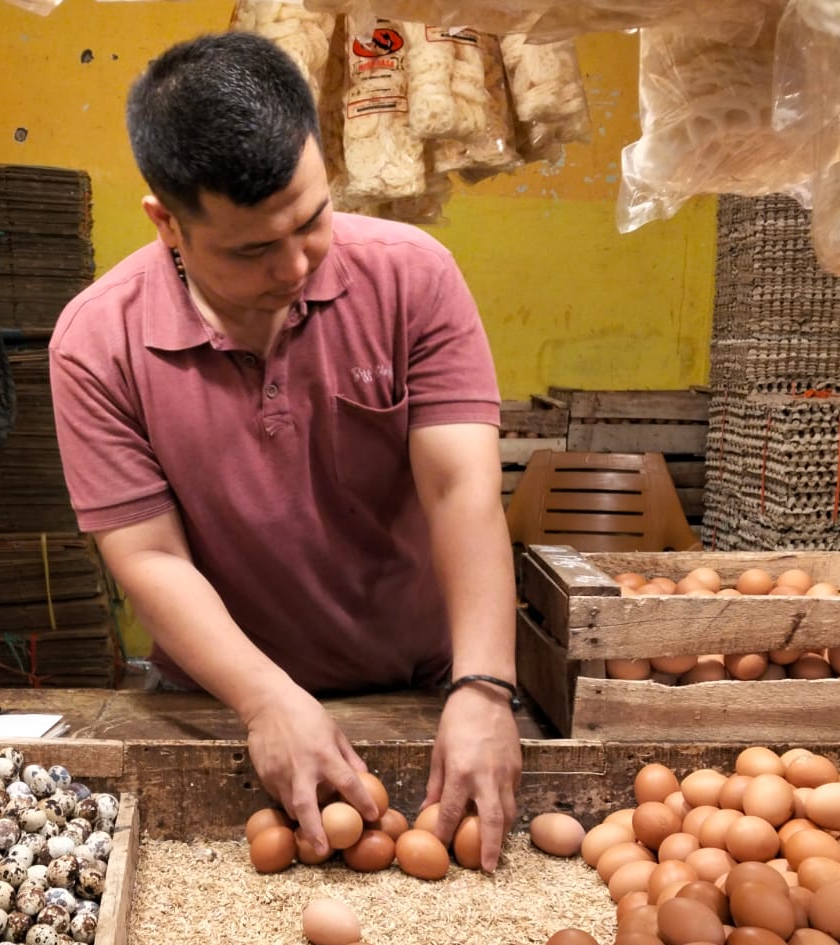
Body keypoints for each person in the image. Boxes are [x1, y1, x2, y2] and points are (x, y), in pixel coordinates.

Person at [49, 31, 521, 869]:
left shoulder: (413, 278)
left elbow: (461, 490)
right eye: (253, 249)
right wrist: (263, 699)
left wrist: (484, 687)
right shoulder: (98, 343)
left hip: (420, 685)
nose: (297, 263)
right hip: (222, 699)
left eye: (312, 220)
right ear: (167, 223)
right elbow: (149, 556)